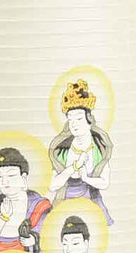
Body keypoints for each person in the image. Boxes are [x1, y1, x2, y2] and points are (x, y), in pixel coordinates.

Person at [48, 80, 113, 224]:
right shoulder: (62, 150)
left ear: (89, 120)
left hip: (91, 202)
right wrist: (72, 168)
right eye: (70, 120)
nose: (74, 124)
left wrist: (86, 178)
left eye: (78, 118)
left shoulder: (99, 149)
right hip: (65, 201)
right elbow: (52, 185)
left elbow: (105, 182)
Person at [0, 147, 52, 253]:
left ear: (23, 177)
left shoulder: (39, 206)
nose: (4, 182)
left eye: (11, 176)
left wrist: (34, 240)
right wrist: (3, 217)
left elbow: (50, 236)